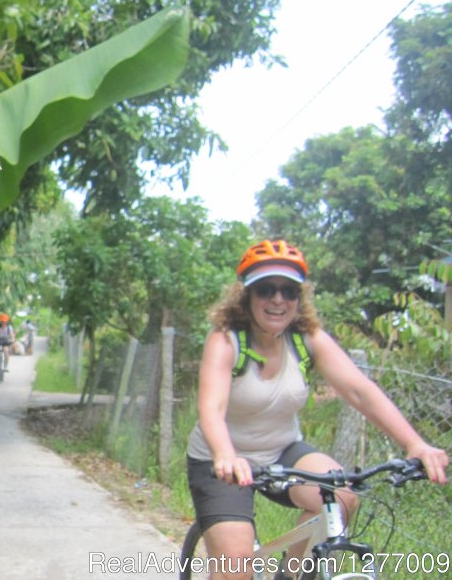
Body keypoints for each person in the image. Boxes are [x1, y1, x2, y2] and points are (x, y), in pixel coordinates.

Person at [186, 240, 448, 580]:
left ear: (299, 298)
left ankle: (291, 576)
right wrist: (225, 454)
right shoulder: (226, 340)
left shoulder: (305, 338)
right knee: (235, 570)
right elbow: (212, 406)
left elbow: (360, 391)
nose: (278, 300)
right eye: (266, 289)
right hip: (220, 460)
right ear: (246, 296)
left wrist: (415, 444)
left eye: (289, 291)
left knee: (342, 495)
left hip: (281, 450)